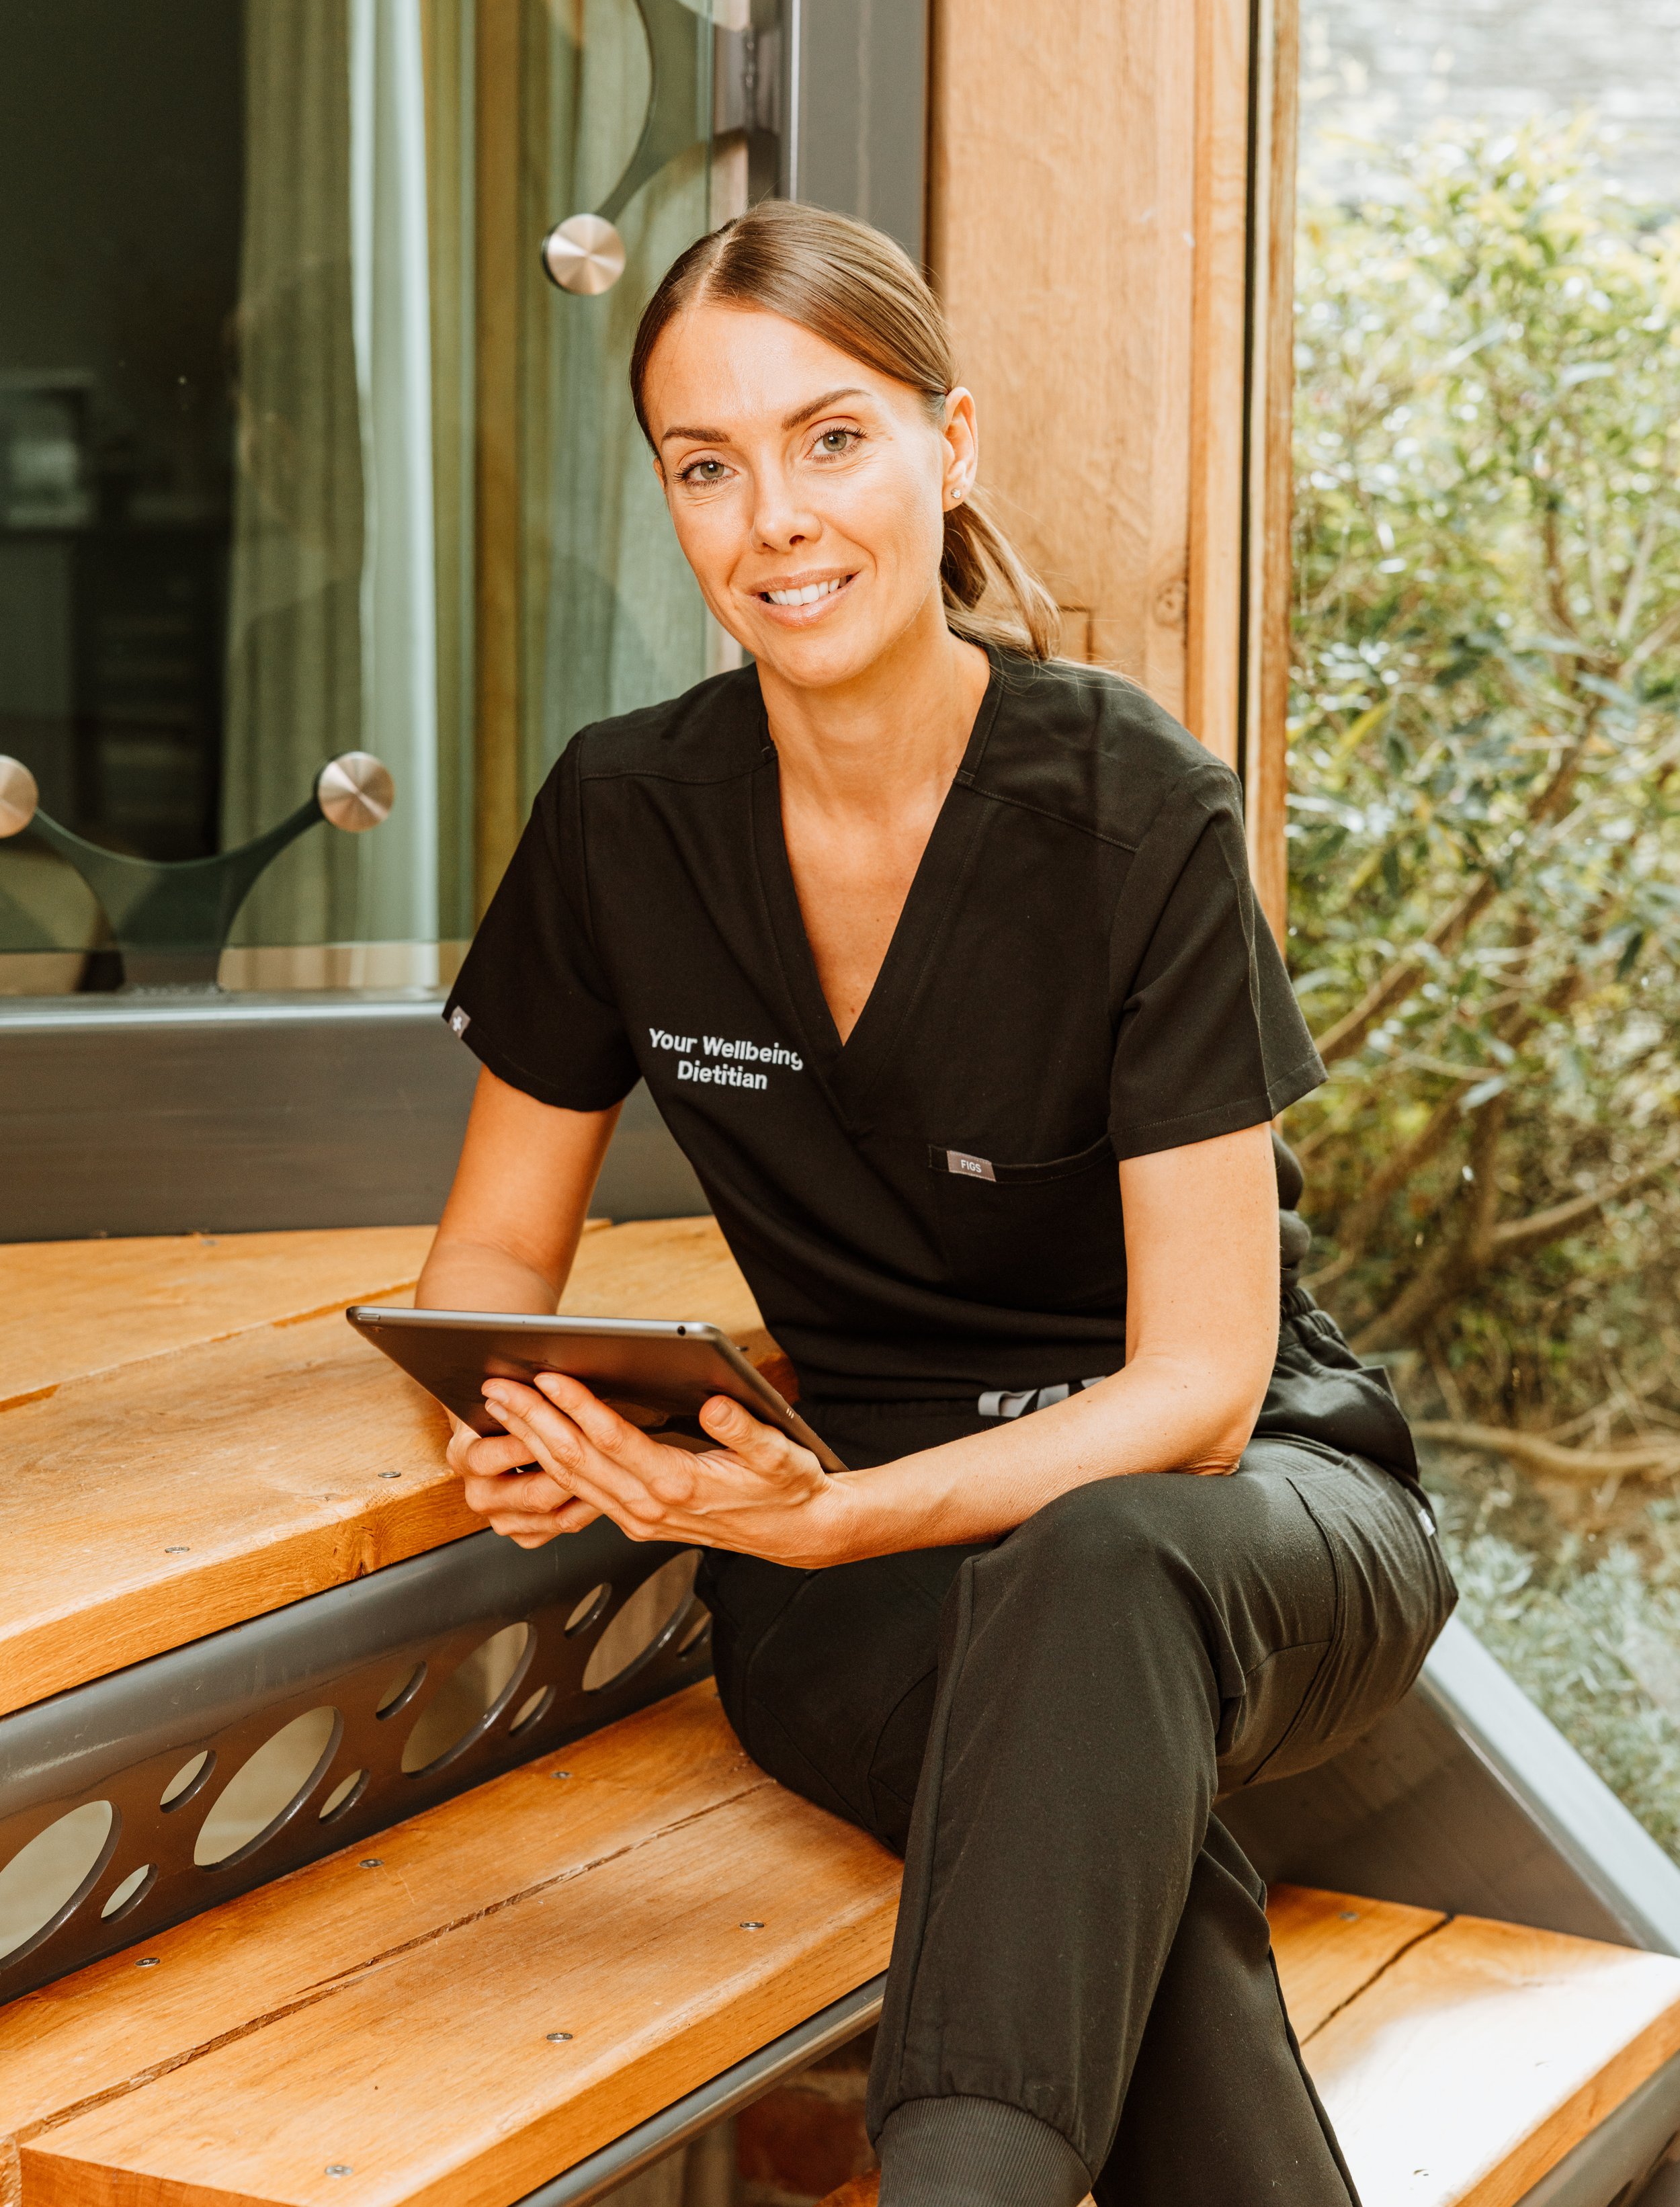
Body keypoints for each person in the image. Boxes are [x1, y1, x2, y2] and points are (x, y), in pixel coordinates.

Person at [418, 200, 1454, 2207]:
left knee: (1096, 1572)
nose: (774, 519)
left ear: (945, 445)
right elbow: (486, 1258)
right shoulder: (622, 815)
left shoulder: (1128, 806)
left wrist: (830, 1511)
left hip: (1248, 1520)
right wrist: (514, 1411)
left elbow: (1200, 1391)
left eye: (830, 439)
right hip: (863, 1584)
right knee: (1110, 1858)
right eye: (706, 468)